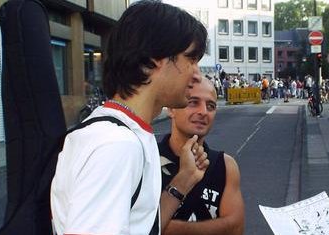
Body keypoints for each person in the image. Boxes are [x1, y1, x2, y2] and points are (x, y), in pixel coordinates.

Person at [50, 1, 210, 234]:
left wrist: (183, 180)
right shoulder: (117, 145)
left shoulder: (118, 131)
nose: (197, 74)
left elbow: (139, 226)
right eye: (191, 59)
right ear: (155, 59)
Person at [159, 77, 245, 234]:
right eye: (193, 102)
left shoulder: (225, 166)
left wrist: (172, 228)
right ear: (171, 109)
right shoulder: (146, 160)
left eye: (210, 106)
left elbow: (235, 228)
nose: (203, 112)